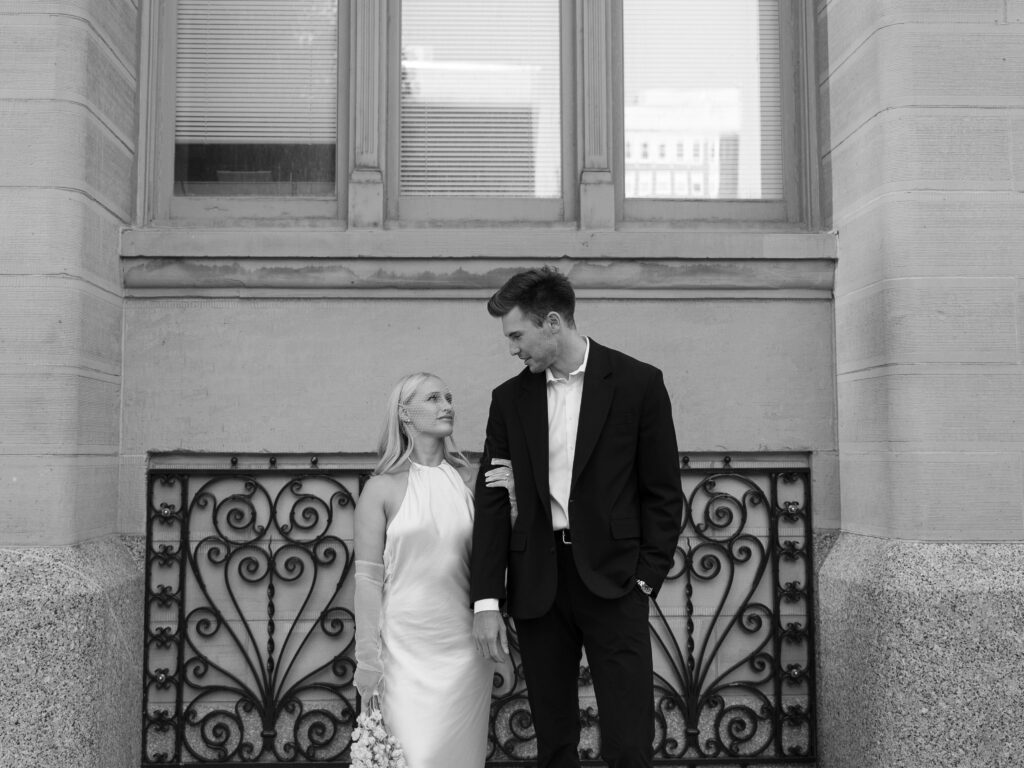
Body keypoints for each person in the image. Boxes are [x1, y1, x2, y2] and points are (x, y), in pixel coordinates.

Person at [470, 267, 683, 768]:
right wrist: (486, 599)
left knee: (630, 742)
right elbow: (493, 501)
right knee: (554, 740)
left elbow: (663, 493)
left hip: (617, 582)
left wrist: (647, 578)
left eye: (517, 335)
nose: (512, 348)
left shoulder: (638, 383)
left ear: (551, 322)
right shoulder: (508, 400)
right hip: (538, 583)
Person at [353, 372, 513, 768]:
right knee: (414, 757)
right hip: (403, 649)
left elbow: (501, 556)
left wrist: (516, 502)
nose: (447, 406)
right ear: (405, 414)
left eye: (449, 396)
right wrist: (367, 660)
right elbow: (368, 582)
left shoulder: (472, 481)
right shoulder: (381, 488)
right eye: (433, 399)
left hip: (464, 647)